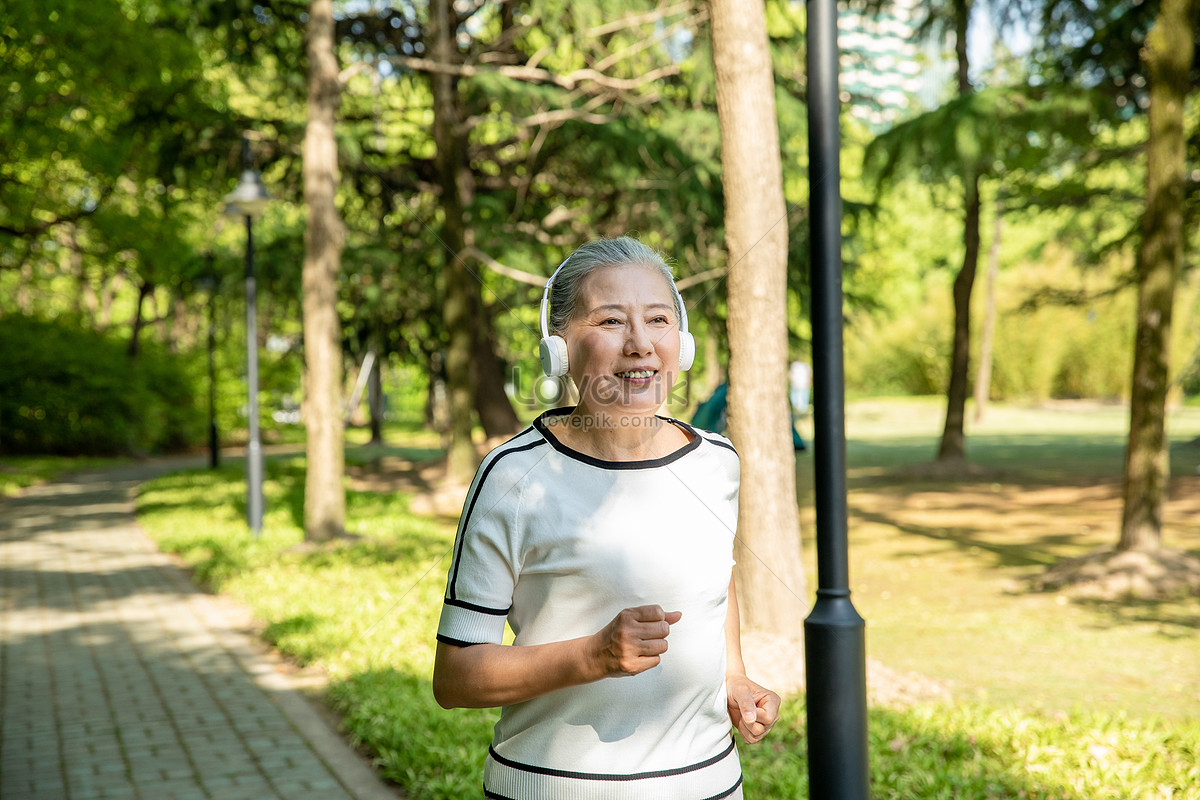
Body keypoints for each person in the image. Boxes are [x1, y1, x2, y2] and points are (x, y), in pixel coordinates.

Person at [433, 236, 780, 799]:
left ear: (682, 343)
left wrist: (734, 678)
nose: (640, 344)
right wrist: (593, 656)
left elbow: (718, 579)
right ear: (560, 348)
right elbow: (455, 678)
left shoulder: (717, 462)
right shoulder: (513, 477)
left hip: (711, 786)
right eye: (612, 321)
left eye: (659, 319)